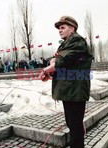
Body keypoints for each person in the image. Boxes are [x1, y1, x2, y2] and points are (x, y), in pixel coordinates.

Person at [39, 16, 93, 148]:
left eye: (62, 27)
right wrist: (52, 68)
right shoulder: (67, 43)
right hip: (70, 90)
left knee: (75, 128)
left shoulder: (77, 41)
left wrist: (47, 70)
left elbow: (62, 60)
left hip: (74, 91)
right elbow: (60, 62)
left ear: (72, 28)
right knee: (72, 125)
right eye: (59, 28)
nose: (59, 30)